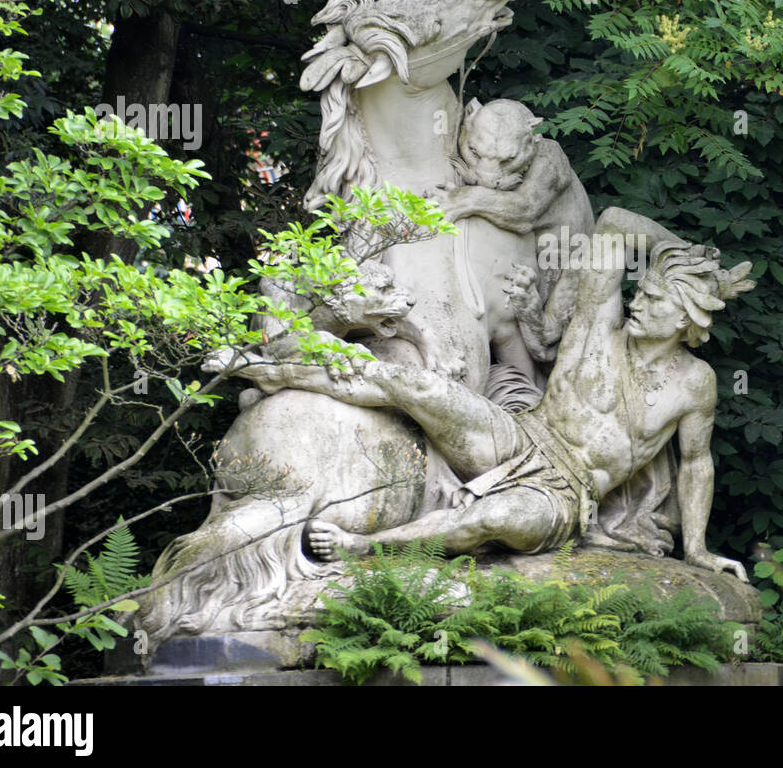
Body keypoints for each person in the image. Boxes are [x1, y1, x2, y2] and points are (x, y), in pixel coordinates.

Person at [209, 207, 753, 581]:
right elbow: (612, 226)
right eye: (644, 290)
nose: (639, 302)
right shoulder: (597, 325)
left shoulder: (694, 383)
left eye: (656, 300)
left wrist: (698, 549)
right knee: (420, 385)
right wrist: (679, 249)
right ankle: (272, 371)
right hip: (518, 437)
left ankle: (364, 551)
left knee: (497, 521)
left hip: (566, 495)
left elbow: (696, 464)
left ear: (686, 319)